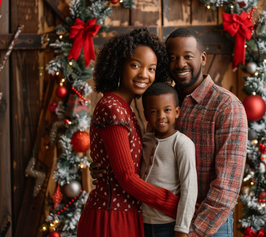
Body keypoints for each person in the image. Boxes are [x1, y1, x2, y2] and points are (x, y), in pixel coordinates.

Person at [91, 27, 248, 237]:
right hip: (158, 222)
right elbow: (144, 161)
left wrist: (190, 229)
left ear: (202, 58)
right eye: (173, 58)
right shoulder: (162, 102)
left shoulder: (227, 106)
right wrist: (108, 168)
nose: (180, 64)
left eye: (187, 56)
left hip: (208, 225)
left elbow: (226, 187)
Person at [77, 28, 181, 237]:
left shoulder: (128, 108)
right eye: (136, 65)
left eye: (151, 69)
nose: (144, 74)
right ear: (118, 66)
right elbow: (126, 177)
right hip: (111, 218)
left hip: (127, 214)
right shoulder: (113, 107)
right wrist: (178, 205)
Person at [141, 82, 198, 237]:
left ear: (177, 112)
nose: (161, 116)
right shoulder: (144, 141)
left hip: (168, 225)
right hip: (140, 223)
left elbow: (189, 189)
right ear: (146, 115)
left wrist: (181, 229)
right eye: (154, 111)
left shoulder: (182, 144)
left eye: (167, 110)